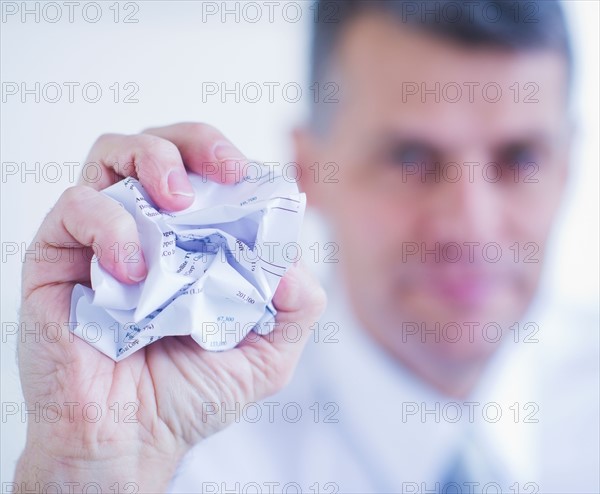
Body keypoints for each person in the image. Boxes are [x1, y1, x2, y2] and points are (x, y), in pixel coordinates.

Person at [14, 1, 599, 493]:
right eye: (410, 159)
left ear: (569, 165)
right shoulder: (181, 444)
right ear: (309, 170)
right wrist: (87, 464)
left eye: (521, 159)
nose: (472, 227)